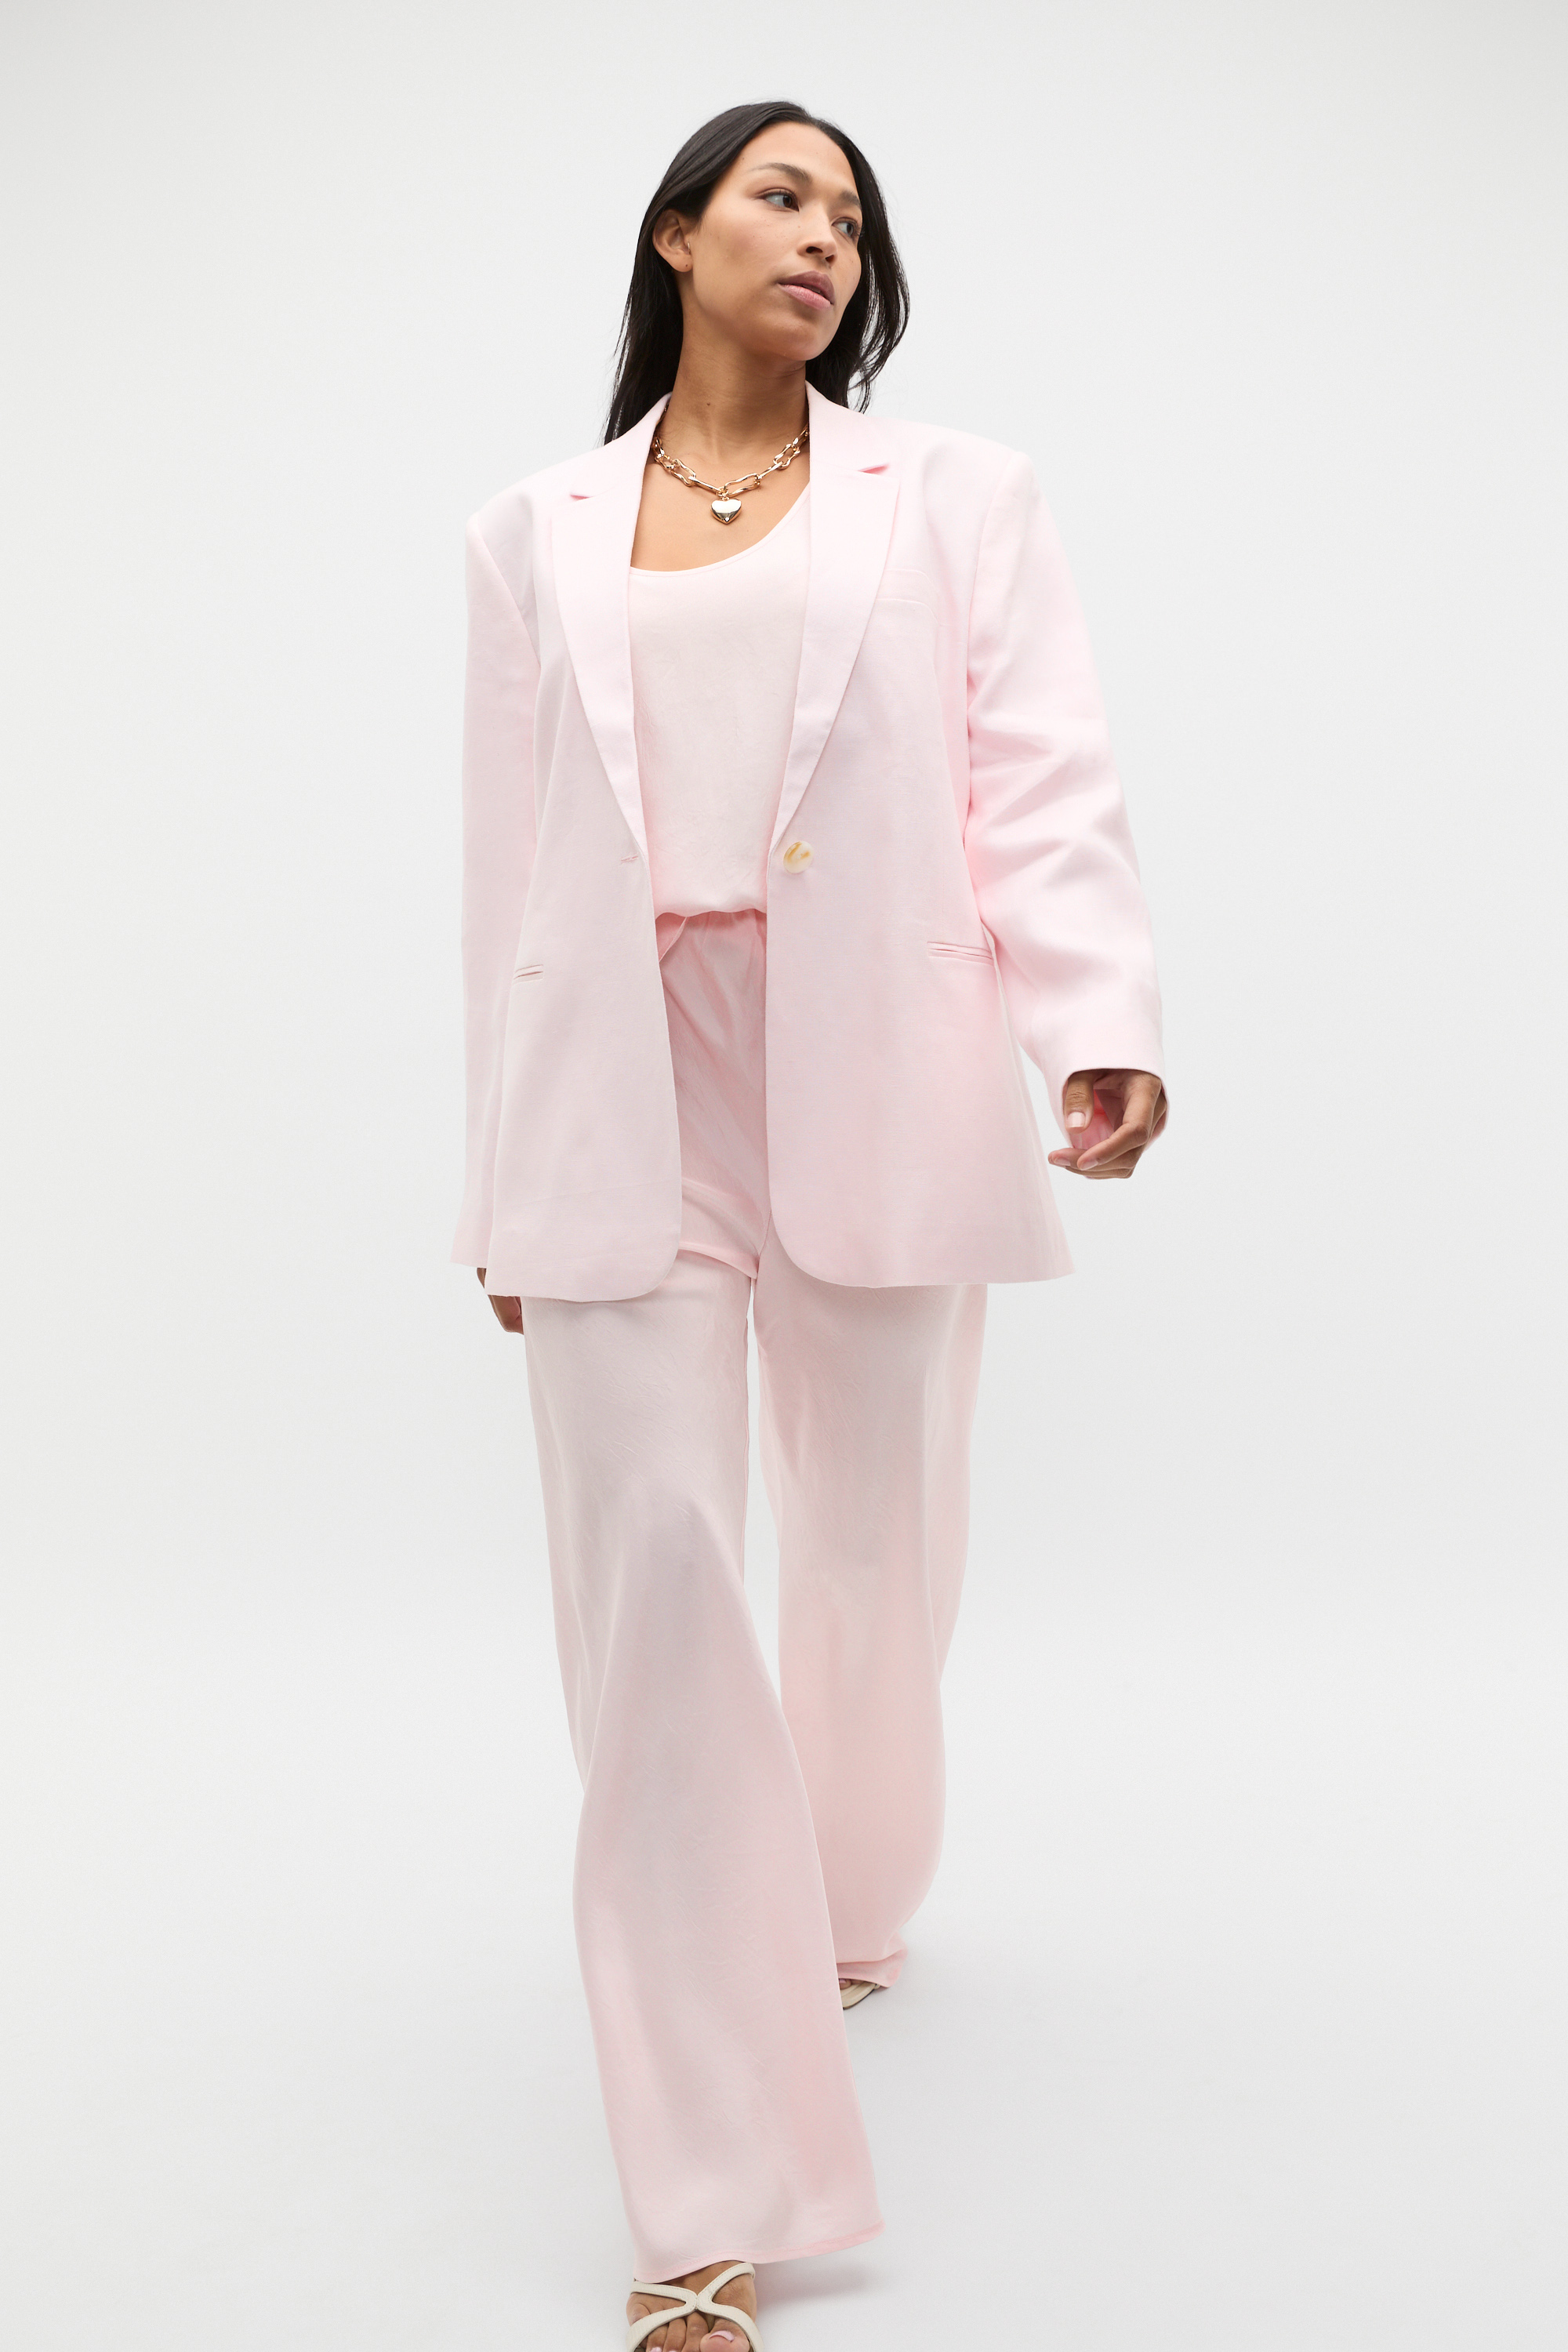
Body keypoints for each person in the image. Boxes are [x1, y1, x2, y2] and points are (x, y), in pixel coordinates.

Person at [452, 97, 1167, 2352]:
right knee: (657, 1584)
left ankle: (848, 1897)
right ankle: (709, 2185)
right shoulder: (531, 530)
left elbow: (1035, 769)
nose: (823, 239)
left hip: (875, 1054)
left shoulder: (953, 494)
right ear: (676, 233)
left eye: (852, 216)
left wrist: (1093, 1020)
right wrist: (500, 1172)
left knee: (870, 1543)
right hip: (620, 1086)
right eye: (781, 197)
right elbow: (503, 864)